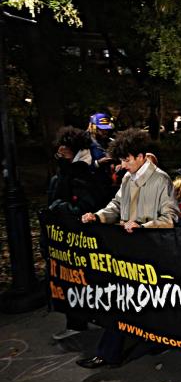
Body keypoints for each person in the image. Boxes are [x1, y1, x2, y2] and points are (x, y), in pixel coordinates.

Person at [77, 128, 179, 369]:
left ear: (141, 155)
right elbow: (116, 205)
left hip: (150, 253)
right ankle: (109, 353)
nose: (122, 165)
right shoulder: (126, 178)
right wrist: (98, 217)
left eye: (127, 159)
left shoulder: (161, 179)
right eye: (121, 160)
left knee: (143, 302)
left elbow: (171, 217)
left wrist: (143, 226)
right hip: (126, 253)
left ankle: (153, 341)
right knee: (120, 301)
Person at [48, 127, 108, 340]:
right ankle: (77, 321)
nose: (59, 157)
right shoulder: (68, 172)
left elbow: (86, 206)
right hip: (67, 239)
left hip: (82, 239)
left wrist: (59, 207)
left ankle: (82, 322)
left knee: (83, 282)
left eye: (63, 154)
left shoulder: (84, 175)